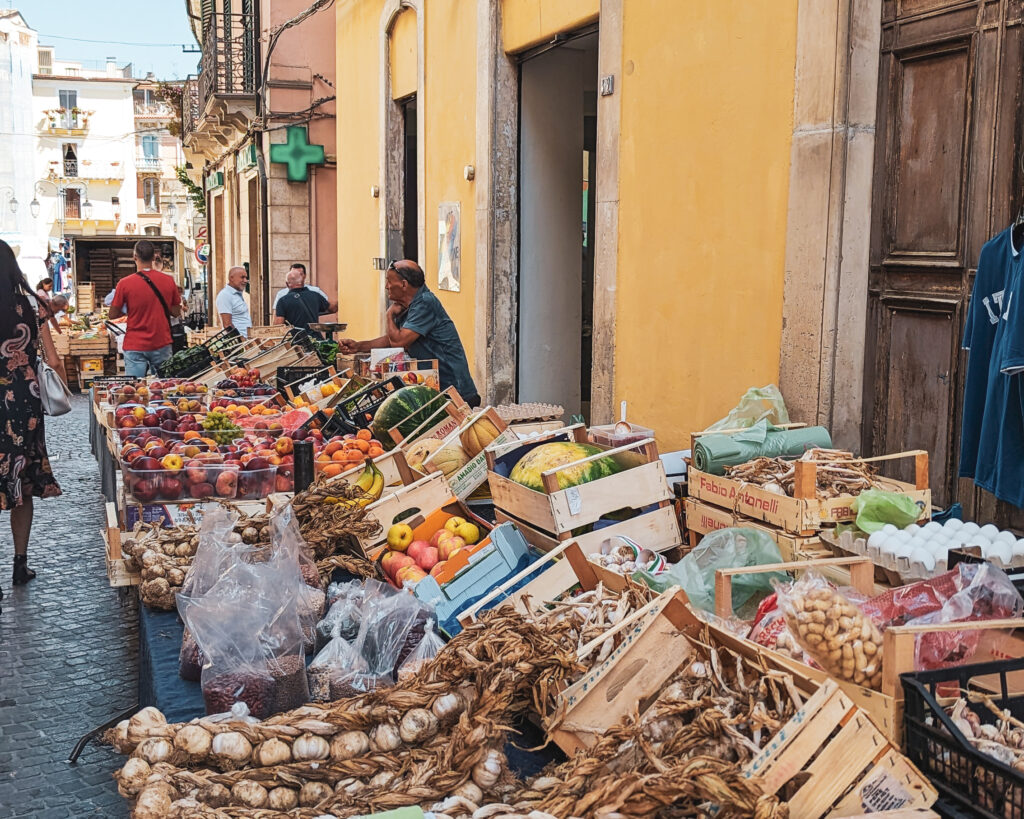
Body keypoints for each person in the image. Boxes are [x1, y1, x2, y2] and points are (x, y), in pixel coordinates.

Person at [0, 240, 64, 600]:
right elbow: (53, 361)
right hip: (23, 405)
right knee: (21, 483)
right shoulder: (30, 305)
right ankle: (19, 563)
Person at [339, 260, 480, 405]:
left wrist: (388, 315)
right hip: (436, 390)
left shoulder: (425, 303)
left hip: (455, 393)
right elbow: (392, 339)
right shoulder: (409, 306)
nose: (387, 287)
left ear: (404, 285)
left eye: (389, 281)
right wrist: (359, 346)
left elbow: (399, 342)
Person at [108, 240, 182, 377]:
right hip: (161, 341)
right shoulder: (168, 281)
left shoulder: (124, 283)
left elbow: (112, 314)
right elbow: (176, 312)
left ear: (134, 257)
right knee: (164, 387)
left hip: (135, 343)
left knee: (135, 389)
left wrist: (130, 308)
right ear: (154, 257)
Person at [274, 268, 330, 334]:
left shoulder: (282, 301)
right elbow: (332, 308)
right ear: (302, 281)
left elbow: (278, 326)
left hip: (295, 340)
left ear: (287, 284)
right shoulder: (315, 295)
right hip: (315, 339)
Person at [272, 263, 337, 313]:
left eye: (300, 274)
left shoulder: (315, 291)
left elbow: (330, 307)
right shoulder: (281, 294)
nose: (296, 276)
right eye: (293, 274)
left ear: (305, 276)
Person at [216, 266, 252, 337]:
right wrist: (240, 340)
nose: (245, 280)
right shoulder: (225, 295)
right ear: (231, 278)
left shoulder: (237, 294)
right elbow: (227, 325)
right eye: (242, 277)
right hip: (238, 343)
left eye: (246, 278)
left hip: (246, 340)